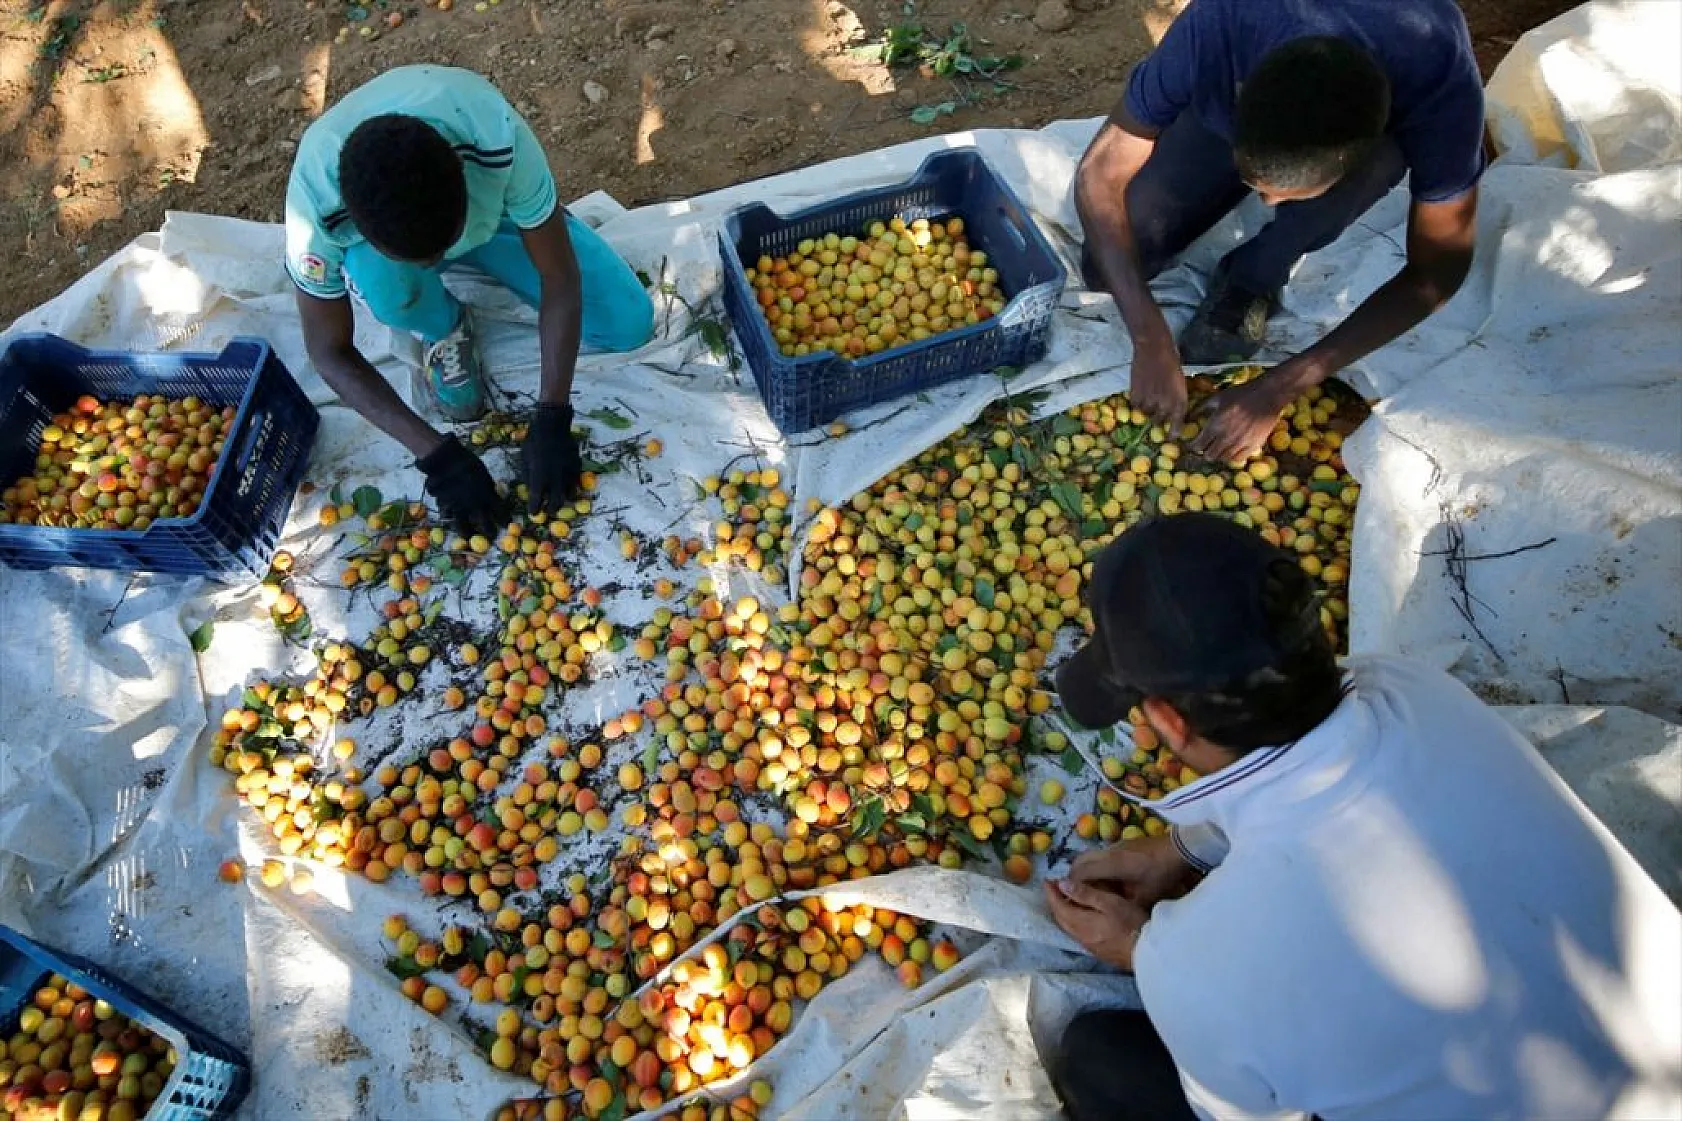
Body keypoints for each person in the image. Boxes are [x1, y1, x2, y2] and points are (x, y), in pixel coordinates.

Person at [1042, 513, 1682, 1121]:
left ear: (1168, 721)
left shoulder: (1203, 969)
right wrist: (1178, 852)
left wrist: (1144, 954)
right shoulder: (1414, 688)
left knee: (1101, 1060)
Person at [1076, 0, 1485, 463]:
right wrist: (1148, 334)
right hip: (1245, 73)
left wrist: (1279, 387)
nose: (1266, 204)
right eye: (1257, 186)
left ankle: (1254, 278)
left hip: (1379, 120)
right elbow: (1099, 170)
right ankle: (1240, 172)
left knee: (1338, 198)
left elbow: (1437, 273)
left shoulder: (1439, 76)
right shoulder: (1220, 24)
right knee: (1106, 267)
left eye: (1284, 193)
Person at [284, 65, 654, 534]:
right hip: (388, 256)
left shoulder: (494, 133)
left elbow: (559, 277)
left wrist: (553, 413)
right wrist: (435, 455)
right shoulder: (314, 205)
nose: (435, 261)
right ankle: (441, 323)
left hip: (489, 219)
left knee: (629, 322)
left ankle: (502, 232)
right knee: (389, 286)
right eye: (422, 256)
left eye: (441, 248)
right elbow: (327, 350)